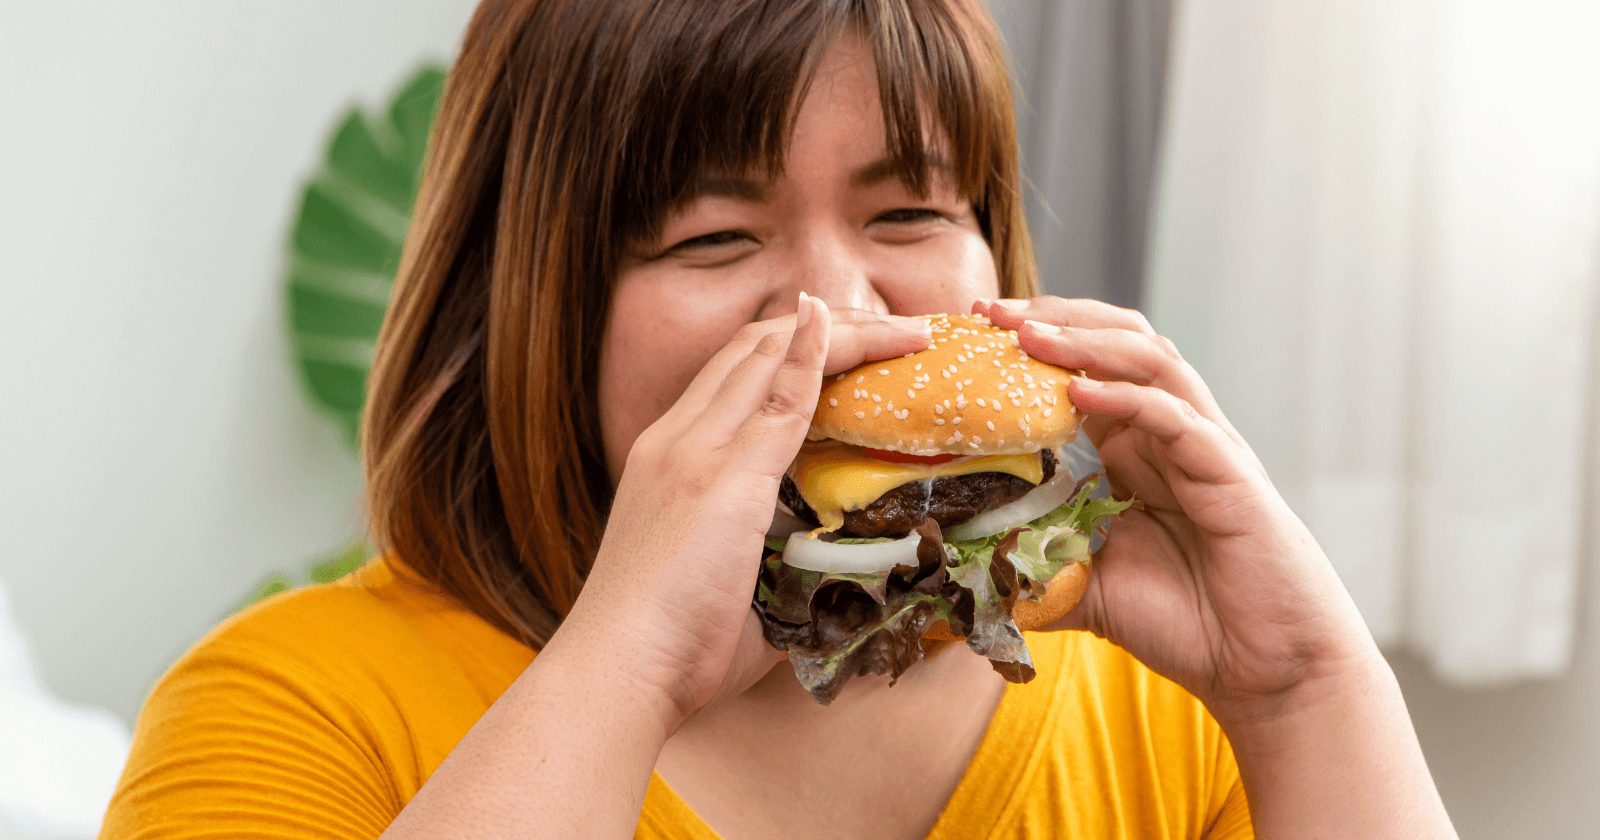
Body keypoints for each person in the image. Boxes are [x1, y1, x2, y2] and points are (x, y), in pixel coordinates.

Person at [101, 1, 1457, 837]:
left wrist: (1305, 694)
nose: (834, 304)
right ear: (534, 307)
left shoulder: (1164, 721)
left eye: (911, 213)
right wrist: (629, 665)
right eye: (710, 237)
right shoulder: (288, 710)